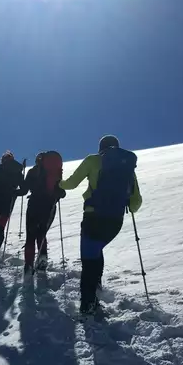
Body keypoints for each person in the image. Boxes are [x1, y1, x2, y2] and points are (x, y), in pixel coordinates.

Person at [58, 135, 142, 316]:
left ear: (100, 148)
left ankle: (87, 304)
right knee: (97, 250)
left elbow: (72, 184)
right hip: (115, 222)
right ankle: (96, 288)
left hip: (93, 217)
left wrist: (59, 183)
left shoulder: (93, 160)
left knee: (89, 261)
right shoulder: (127, 168)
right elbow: (135, 203)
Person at [18, 151, 65, 275]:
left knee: (30, 235)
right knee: (41, 233)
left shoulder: (32, 171)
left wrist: (15, 189)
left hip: (34, 204)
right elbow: (61, 191)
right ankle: (42, 258)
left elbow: (23, 190)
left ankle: (28, 265)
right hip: (49, 205)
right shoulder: (55, 172)